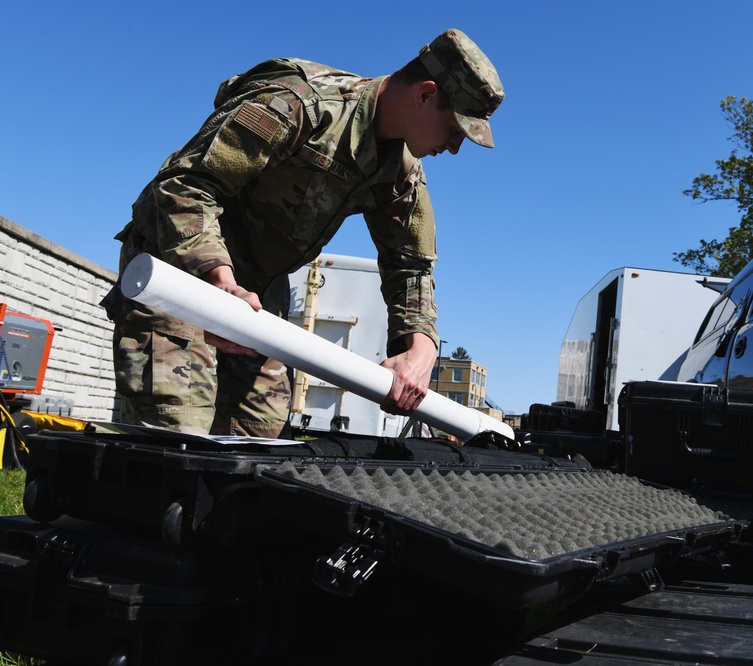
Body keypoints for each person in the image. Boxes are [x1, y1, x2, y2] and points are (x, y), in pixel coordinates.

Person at [100, 29, 504, 438]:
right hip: (181, 275)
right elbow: (185, 186)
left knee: (257, 437)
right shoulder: (299, 104)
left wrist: (421, 349)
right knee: (176, 435)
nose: (455, 147)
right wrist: (219, 282)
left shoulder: (401, 173)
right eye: (456, 128)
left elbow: (410, 265)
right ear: (425, 94)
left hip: (256, 295)